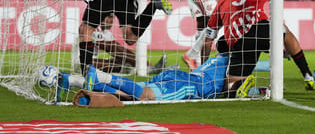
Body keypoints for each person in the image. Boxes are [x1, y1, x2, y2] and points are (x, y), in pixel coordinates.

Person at [202, 0, 315, 94]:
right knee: (284, 30)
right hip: (261, 32)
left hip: (239, 44)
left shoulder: (221, 2)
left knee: (230, 90)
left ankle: (256, 89)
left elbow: (207, 41)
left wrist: (203, 67)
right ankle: (307, 74)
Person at [58, 53, 260, 102]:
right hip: (190, 86)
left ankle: (73, 81)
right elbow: (235, 87)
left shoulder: (220, 58)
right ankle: (101, 76)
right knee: (143, 96)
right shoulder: (238, 63)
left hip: (177, 75)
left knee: (130, 95)